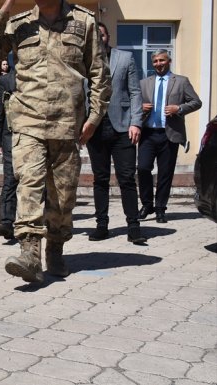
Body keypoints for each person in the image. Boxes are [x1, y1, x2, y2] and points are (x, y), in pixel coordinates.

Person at [0, 0, 110, 283]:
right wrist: (5, 8)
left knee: (63, 197)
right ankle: (29, 254)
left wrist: (94, 118)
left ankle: (56, 249)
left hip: (68, 123)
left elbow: (100, 74)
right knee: (29, 184)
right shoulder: (17, 23)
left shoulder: (84, 22)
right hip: (28, 120)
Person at [86, 23, 147, 243]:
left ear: (107, 36)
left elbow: (134, 92)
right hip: (95, 129)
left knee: (127, 178)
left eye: (101, 34)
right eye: (94, 35)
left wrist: (136, 123)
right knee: (100, 179)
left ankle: (133, 226)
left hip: (123, 128)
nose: (98, 38)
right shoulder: (84, 61)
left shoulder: (125, 58)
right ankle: (101, 225)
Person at [138, 49, 202, 223]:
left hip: (170, 134)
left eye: (162, 60)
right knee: (143, 168)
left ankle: (160, 208)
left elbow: (196, 102)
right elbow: (133, 104)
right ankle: (146, 204)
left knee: (165, 173)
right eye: (155, 61)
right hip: (148, 133)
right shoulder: (144, 83)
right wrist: (141, 107)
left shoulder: (181, 81)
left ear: (169, 61)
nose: (158, 64)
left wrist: (179, 109)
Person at [0, 62, 17, 240]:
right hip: (10, 137)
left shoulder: (41, 77)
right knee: (10, 178)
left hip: (35, 136)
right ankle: (6, 222)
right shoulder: (5, 81)